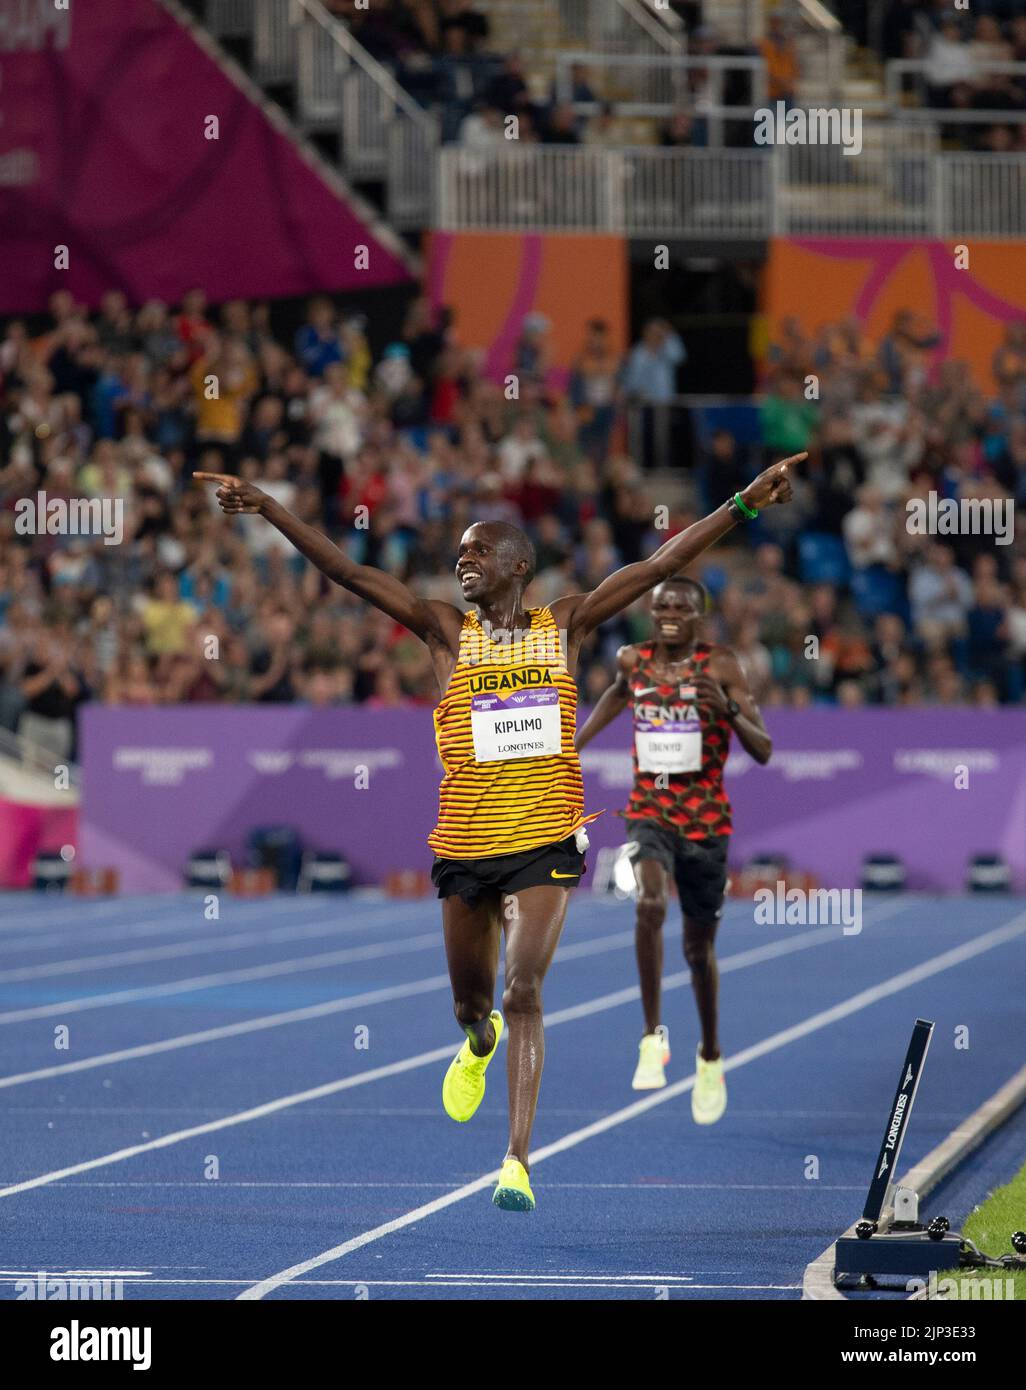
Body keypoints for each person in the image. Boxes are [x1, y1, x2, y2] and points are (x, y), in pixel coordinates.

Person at [195, 451, 803, 1210]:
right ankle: (475, 1046)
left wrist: (745, 501)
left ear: (520, 564)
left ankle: (516, 1162)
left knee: (524, 990)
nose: (464, 563)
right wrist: (269, 508)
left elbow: (660, 562)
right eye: (458, 556)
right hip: (464, 847)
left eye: (478, 552)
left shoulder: (568, 622)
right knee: (473, 1007)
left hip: (546, 841)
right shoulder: (445, 632)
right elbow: (349, 574)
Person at [575, 576, 773, 1116]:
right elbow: (616, 696)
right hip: (650, 811)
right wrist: (571, 748)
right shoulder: (631, 660)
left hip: (707, 821)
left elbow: (765, 750)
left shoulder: (722, 665)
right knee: (648, 903)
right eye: (660, 605)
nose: (667, 614)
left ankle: (709, 1055)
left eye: (679, 608)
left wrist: (727, 710)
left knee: (698, 952)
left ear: (697, 617)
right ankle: (651, 1036)